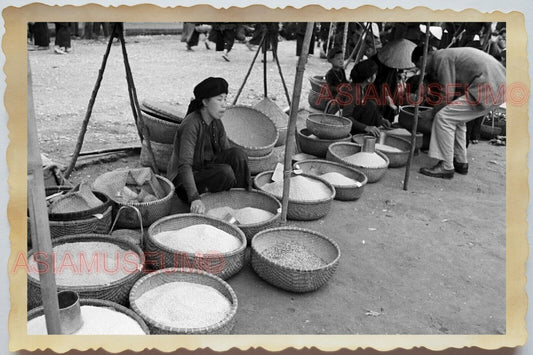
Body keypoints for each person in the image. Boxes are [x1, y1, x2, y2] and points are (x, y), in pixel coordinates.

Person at [412, 45, 506, 179]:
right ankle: (460, 161)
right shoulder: (448, 54)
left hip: (488, 86)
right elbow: (454, 91)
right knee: (457, 118)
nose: (422, 70)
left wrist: (431, 113)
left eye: (419, 66)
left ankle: (446, 166)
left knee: (443, 118)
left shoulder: (441, 57)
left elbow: (447, 94)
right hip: (498, 85)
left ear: (422, 59)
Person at [166, 77, 250, 214]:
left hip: (207, 169)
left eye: (225, 99)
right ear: (205, 102)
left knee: (238, 155)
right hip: (186, 182)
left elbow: (228, 153)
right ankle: (211, 198)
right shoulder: (191, 124)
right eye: (219, 99)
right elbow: (184, 165)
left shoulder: (216, 122)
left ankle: (238, 200)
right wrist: (194, 198)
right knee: (225, 172)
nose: (224, 104)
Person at [328, 59, 391, 137]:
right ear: (369, 78)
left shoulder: (361, 87)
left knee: (371, 104)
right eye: (375, 74)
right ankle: (357, 135)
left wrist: (381, 120)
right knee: (370, 106)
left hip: (343, 119)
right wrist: (366, 128)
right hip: (335, 123)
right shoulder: (354, 90)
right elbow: (346, 117)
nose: (376, 75)